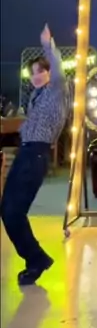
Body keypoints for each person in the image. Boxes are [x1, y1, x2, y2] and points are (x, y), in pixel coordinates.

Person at [1, 25, 66, 285]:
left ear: (49, 73)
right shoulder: (36, 97)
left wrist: (48, 45)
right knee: (7, 209)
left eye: (41, 71)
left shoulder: (57, 91)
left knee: (13, 211)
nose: (36, 76)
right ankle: (35, 258)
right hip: (26, 152)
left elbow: (59, 69)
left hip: (36, 155)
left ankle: (36, 259)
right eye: (33, 73)